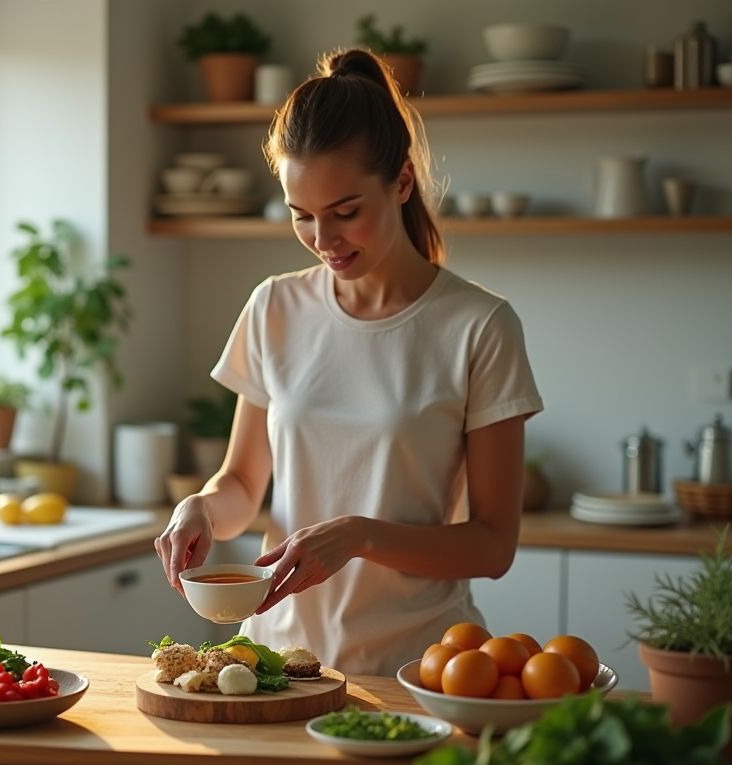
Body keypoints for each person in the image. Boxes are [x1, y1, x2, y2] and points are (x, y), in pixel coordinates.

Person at [155, 48, 543, 677]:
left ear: (402, 182)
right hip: (274, 664)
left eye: (345, 213)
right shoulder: (274, 306)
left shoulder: (480, 326)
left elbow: (493, 544)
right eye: (300, 216)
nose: (324, 240)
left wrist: (362, 536)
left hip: (418, 667)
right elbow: (244, 487)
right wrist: (199, 506)